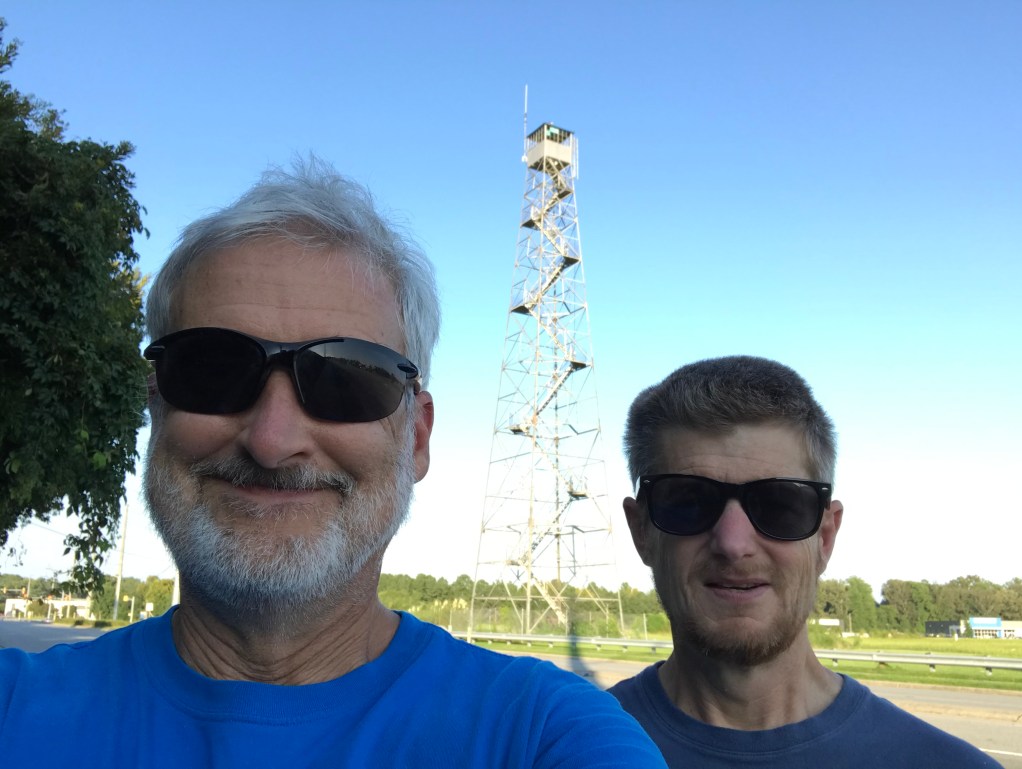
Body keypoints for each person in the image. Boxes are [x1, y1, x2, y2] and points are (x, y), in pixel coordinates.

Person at [0, 158, 666, 769]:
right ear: (157, 405)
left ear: (417, 438)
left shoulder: (544, 736)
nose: (272, 441)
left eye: (345, 379)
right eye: (213, 369)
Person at [609, 356, 1000, 768]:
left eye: (779, 504)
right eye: (688, 503)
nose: (733, 544)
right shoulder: (571, 753)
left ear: (825, 538)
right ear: (642, 532)